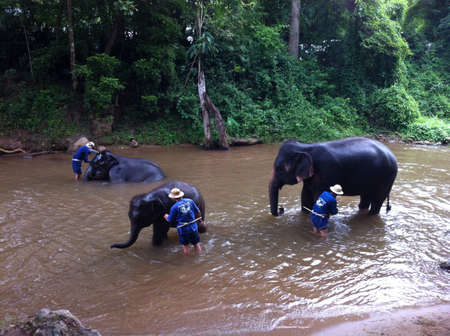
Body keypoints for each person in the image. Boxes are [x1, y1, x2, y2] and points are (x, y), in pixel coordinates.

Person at [164, 187, 203, 255]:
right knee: (196, 244)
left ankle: (187, 261)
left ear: (173, 198)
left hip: (183, 228)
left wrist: (166, 216)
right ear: (181, 195)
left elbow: (170, 220)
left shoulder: (174, 207)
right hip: (193, 226)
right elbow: (198, 211)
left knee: (185, 246)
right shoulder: (190, 201)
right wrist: (200, 219)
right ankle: (200, 256)